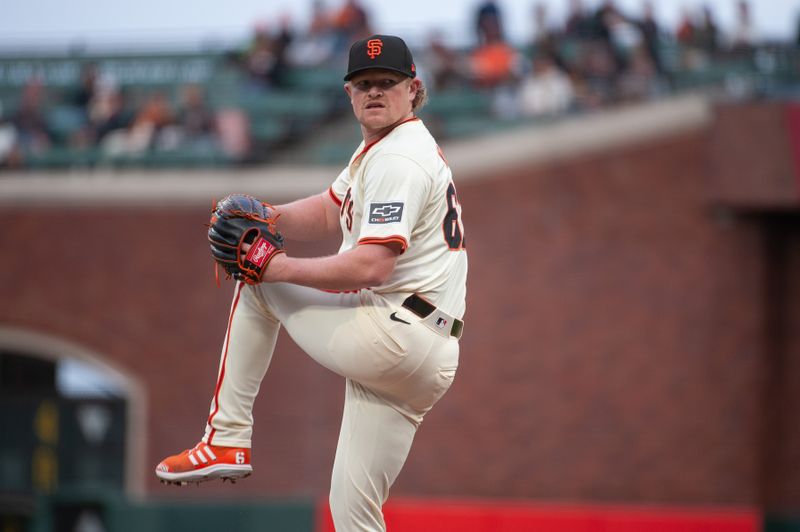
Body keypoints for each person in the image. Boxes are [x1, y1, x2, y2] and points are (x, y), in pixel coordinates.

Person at [155, 34, 468, 532]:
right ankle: (228, 439)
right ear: (348, 93)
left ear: (415, 88)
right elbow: (329, 209)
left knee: (256, 282)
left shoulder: (398, 158)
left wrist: (275, 265)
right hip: (423, 348)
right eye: (363, 83)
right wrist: (269, 216)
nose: (374, 91)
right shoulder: (382, 147)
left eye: (388, 82)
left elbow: (371, 267)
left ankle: (227, 436)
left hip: (397, 333)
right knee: (353, 513)